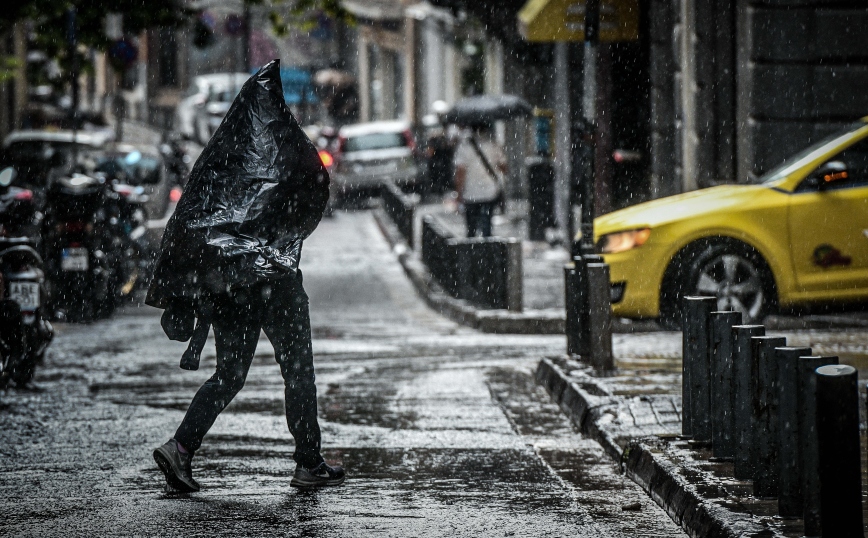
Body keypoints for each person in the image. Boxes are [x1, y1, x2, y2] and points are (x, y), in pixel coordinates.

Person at [147, 60, 344, 493]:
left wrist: (196, 285)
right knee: (297, 369)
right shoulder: (281, 147)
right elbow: (309, 190)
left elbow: (191, 223)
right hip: (274, 280)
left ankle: (181, 447)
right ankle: (308, 463)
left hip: (229, 286)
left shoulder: (220, 159)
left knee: (230, 373)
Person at [453, 122, 507, 238]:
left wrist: (458, 193)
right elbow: (504, 167)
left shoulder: (464, 147)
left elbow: (460, 173)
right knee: (487, 226)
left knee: (471, 229)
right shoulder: (493, 144)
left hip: (471, 194)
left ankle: (472, 253)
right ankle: (487, 251)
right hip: (490, 192)